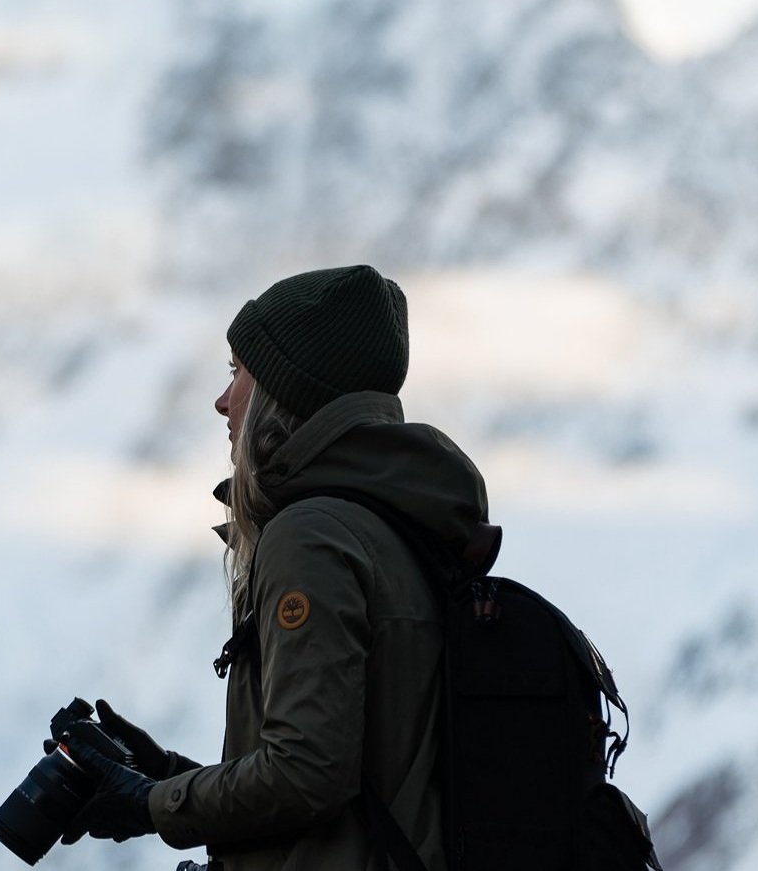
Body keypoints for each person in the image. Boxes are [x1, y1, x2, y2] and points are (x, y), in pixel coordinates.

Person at [57, 263, 495, 870]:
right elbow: (360, 773)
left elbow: (308, 774)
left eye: (238, 373)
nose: (221, 400)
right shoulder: (395, 524)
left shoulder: (311, 536)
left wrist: (154, 804)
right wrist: (163, 776)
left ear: (283, 392)